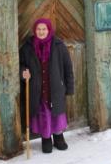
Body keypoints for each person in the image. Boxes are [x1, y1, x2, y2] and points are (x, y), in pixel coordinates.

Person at [19, 18, 74, 153]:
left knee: (56, 114)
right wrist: (23, 72)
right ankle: (46, 139)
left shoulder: (58, 45)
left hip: (54, 88)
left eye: (44, 29)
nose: (41, 32)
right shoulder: (27, 47)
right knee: (43, 115)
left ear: (49, 30)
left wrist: (69, 87)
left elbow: (68, 67)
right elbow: (20, 64)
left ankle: (59, 137)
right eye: (39, 29)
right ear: (35, 30)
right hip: (37, 89)